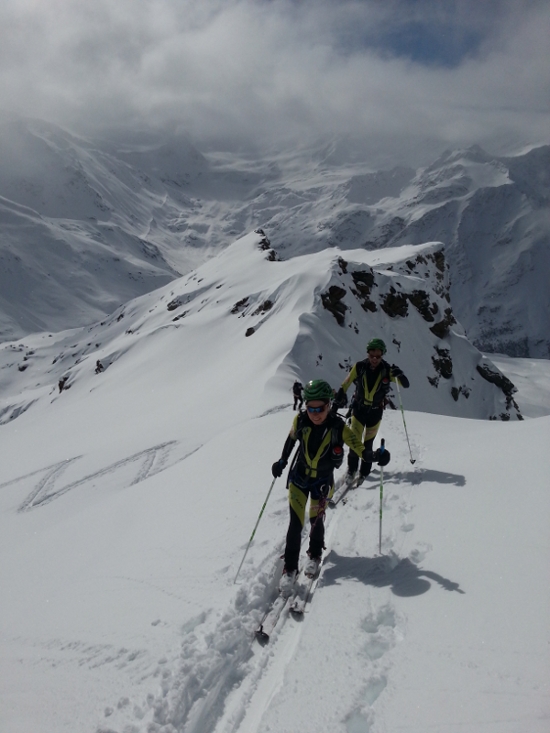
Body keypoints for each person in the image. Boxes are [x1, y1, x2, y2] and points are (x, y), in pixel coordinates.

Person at [272, 379, 390, 593]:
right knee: (295, 525)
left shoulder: (338, 427)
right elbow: (290, 440)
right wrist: (281, 460)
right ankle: (289, 569)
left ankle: (315, 555)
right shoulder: (300, 420)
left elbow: (358, 447)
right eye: (310, 408)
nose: (315, 413)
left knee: (316, 520)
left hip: (322, 483)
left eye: (320, 408)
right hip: (299, 480)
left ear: (328, 405)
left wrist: (374, 456)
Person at [334, 337, 409, 482]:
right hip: (359, 409)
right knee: (355, 443)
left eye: (378, 356)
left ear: (382, 355)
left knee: (368, 444)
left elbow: (405, 385)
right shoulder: (360, 367)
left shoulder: (387, 370)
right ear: (367, 353)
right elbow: (345, 384)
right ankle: (352, 470)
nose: (374, 359)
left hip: (375, 412)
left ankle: (364, 472)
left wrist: (400, 374)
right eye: (372, 355)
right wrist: (336, 403)